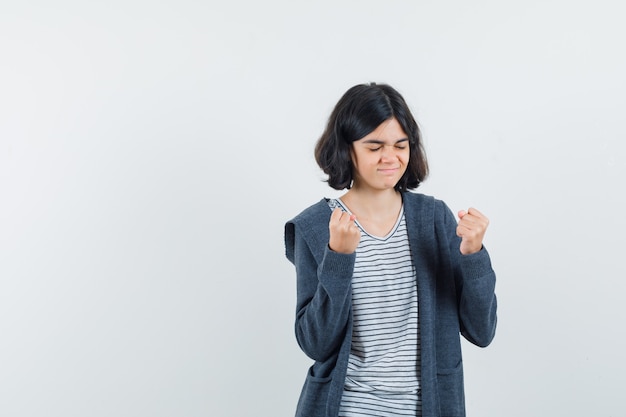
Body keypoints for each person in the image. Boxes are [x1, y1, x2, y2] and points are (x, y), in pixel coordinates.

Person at [284, 82, 497, 417]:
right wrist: (338, 258)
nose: (390, 157)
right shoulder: (315, 226)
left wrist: (474, 256)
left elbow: (481, 331)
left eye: (401, 145)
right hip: (347, 408)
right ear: (347, 149)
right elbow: (316, 344)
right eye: (374, 147)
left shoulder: (435, 219)